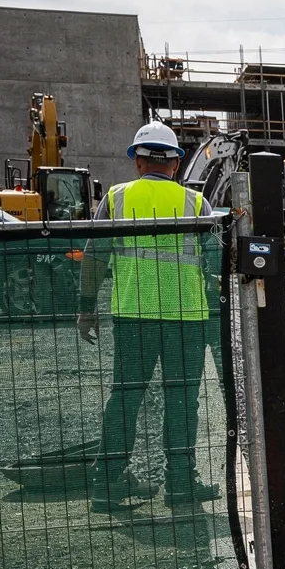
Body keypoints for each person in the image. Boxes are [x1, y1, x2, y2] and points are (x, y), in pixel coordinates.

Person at [78, 121, 219, 513]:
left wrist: (86, 308)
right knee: (181, 400)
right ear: (175, 164)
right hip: (187, 318)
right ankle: (179, 483)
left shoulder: (117, 198)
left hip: (133, 315)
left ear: (138, 162)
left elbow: (94, 256)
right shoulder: (196, 203)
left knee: (125, 399)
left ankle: (107, 484)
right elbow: (215, 262)